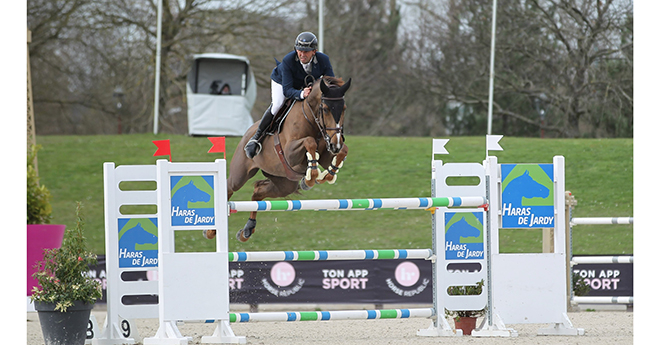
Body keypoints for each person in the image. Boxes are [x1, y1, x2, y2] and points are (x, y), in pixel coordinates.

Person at [244, 31, 335, 159]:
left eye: (306, 52)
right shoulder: (289, 60)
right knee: (277, 105)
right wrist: (302, 93)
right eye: (299, 51)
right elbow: (287, 90)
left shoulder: (323, 59)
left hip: (306, 83)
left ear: (314, 51)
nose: (302, 54)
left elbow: (330, 81)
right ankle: (256, 138)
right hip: (282, 82)